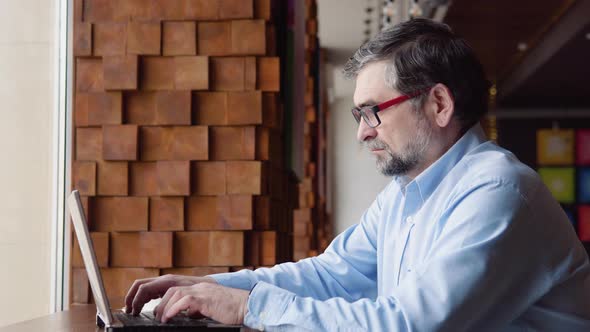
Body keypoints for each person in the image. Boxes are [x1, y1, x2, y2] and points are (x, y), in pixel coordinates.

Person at [124, 18, 590, 331]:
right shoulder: (405, 193)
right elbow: (331, 275)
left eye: (373, 112)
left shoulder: (498, 191)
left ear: (440, 104)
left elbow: (410, 324)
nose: (363, 134)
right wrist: (211, 288)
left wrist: (248, 307)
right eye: (358, 117)